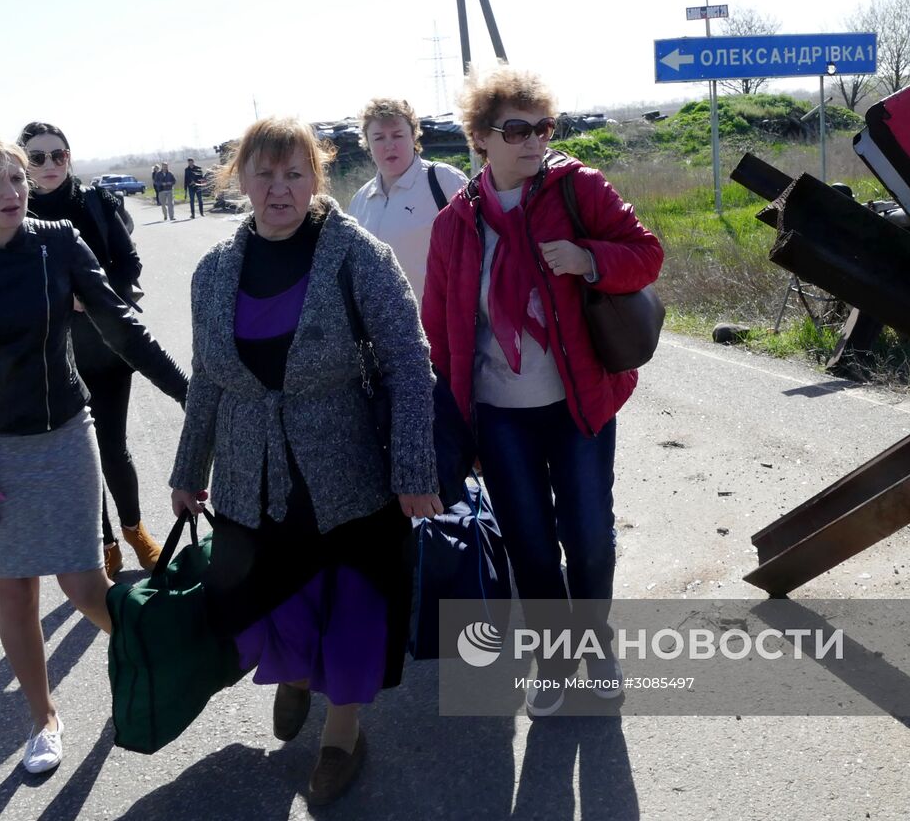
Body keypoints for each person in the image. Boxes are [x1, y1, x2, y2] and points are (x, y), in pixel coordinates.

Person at [0, 131, 188, 774]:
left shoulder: (56, 242)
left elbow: (120, 325)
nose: (12, 191)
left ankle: (151, 657)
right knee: (15, 594)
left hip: (63, 435)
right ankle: (44, 717)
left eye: (18, 178)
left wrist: (191, 396)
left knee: (85, 586)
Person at [169, 116, 438, 805]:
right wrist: (187, 470)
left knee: (348, 607)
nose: (279, 189)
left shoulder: (358, 256)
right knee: (273, 604)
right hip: (249, 475)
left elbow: (410, 364)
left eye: (295, 174)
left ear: (317, 179)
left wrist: (413, 471)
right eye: (265, 173)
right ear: (240, 180)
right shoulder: (214, 272)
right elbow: (206, 377)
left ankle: (342, 733)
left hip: (345, 476)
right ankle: (294, 676)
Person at [422, 66, 664, 718]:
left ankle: (597, 645)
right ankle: (555, 660)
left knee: (587, 537)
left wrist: (589, 259)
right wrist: (461, 426)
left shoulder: (578, 187)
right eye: (517, 129)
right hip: (501, 417)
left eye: (543, 127)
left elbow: (646, 254)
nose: (534, 141)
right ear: (480, 138)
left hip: (579, 402)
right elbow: (443, 333)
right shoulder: (455, 226)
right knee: (530, 545)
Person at [21, 120, 163, 580]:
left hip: (107, 348)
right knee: (80, 455)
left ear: (70, 157)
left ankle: (135, 530)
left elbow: (130, 263)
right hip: (53, 357)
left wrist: (99, 296)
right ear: (22, 162)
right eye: (36, 157)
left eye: (57, 155)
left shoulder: (97, 203)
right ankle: (102, 543)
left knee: (113, 445)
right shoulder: (12, 214)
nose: (48, 165)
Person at [347, 97, 469, 300]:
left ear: (413, 137)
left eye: (397, 135)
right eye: (378, 138)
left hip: (441, 322)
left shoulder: (443, 180)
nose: (389, 145)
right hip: (383, 328)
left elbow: (480, 248)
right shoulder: (360, 201)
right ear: (367, 143)